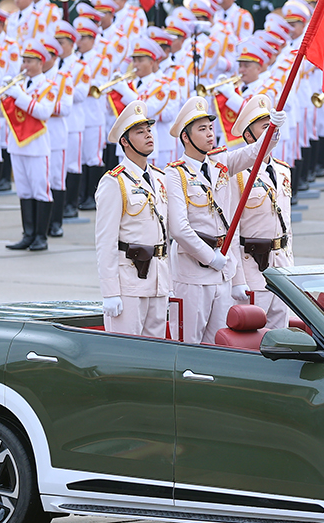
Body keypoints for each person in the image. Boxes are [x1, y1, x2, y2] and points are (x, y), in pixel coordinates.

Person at [165, 96, 280, 345]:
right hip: (193, 272)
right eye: (202, 129)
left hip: (222, 270)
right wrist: (210, 257)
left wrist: (273, 130)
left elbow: (255, 152)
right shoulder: (175, 173)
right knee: (188, 342)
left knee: (218, 342)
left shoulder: (221, 163)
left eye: (211, 128)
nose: (210, 134)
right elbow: (179, 229)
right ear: (185, 137)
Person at [96, 100, 171, 338]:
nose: (149, 135)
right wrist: (110, 292)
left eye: (149, 130)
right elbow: (105, 241)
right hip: (128, 284)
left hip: (158, 282)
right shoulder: (114, 181)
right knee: (126, 355)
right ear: (125, 142)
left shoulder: (159, 178)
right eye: (140, 132)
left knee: (156, 354)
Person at [228, 94, 294, 330]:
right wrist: (238, 280)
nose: (271, 133)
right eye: (265, 128)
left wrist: (291, 267)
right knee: (253, 337)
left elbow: (287, 224)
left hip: (281, 267)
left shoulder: (283, 170)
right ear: (248, 135)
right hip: (253, 269)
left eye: (273, 127)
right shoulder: (237, 174)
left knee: (281, 334)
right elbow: (232, 231)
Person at [0, 37, 58, 252]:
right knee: (23, 190)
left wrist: (19, 96)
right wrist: (4, 97)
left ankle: (41, 236)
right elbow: (3, 113)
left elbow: (43, 112)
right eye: (23, 60)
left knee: (40, 190)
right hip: (16, 143)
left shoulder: (49, 85)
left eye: (30, 61)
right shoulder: (18, 84)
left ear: (41, 63)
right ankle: (28, 234)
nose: (24, 65)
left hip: (37, 145)